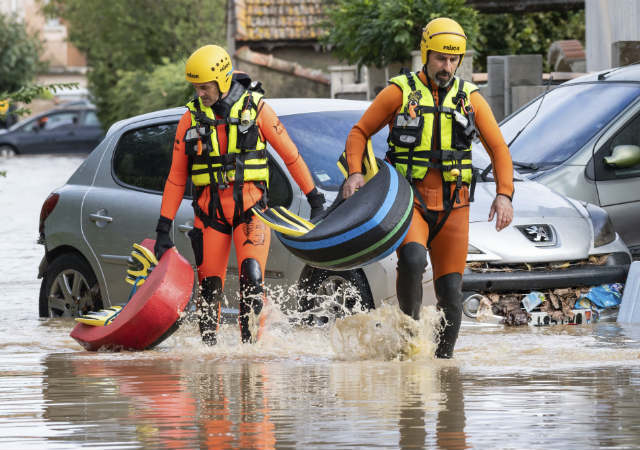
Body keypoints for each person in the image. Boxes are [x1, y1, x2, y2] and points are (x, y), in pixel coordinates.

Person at [342, 18, 514, 358]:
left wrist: (504, 194)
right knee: (412, 258)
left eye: (453, 60)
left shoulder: (471, 100)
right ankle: (409, 349)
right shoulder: (399, 92)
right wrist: (355, 173)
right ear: (426, 54)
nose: (446, 67)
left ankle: (443, 366)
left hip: (455, 206)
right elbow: (359, 132)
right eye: (440, 59)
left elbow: (499, 149)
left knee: (451, 291)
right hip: (411, 203)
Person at [154, 45, 325, 345]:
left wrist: (315, 201)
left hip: (251, 211)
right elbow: (176, 177)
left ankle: (251, 357)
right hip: (210, 216)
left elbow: (291, 156)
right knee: (209, 291)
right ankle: (209, 360)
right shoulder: (189, 119)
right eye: (195, 88)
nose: (199, 94)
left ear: (221, 81)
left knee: (252, 278)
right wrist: (163, 228)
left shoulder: (257, 109)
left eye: (204, 88)